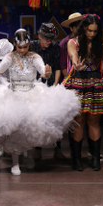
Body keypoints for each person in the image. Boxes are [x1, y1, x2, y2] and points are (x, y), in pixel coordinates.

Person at [0, 29, 80, 176]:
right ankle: (15, 162)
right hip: (14, 94)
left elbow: (43, 71)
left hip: (31, 93)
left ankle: (28, 156)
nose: (22, 50)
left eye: (25, 47)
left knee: (30, 128)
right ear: (15, 45)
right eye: (19, 47)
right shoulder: (10, 57)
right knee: (15, 130)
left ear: (29, 45)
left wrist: (47, 73)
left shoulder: (34, 57)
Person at [63, 14, 103, 171]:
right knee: (79, 121)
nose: (92, 34)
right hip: (78, 82)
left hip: (96, 84)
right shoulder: (73, 42)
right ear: (83, 29)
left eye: (95, 31)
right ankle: (77, 160)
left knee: (94, 121)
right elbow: (73, 56)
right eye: (89, 30)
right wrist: (76, 64)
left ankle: (95, 159)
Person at [30, 22, 64, 163]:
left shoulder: (55, 48)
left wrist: (55, 84)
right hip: (35, 84)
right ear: (39, 36)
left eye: (51, 39)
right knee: (37, 118)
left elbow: (57, 67)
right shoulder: (32, 46)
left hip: (51, 83)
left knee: (55, 117)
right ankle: (37, 149)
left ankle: (58, 148)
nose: (48, 42)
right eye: (46, 39)